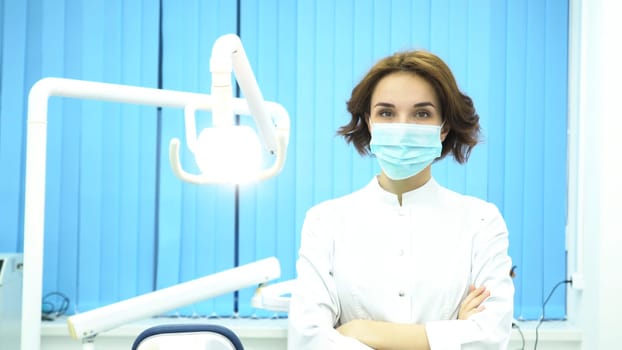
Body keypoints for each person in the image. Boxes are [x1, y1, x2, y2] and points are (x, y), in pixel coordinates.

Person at [287, 50, 515, 349]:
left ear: (443, 126)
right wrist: (451, 333)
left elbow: (490, 339)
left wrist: (358, 331)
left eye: (422, 113)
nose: (402, 126)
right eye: (386, 113)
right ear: (369, 122)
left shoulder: (481, 221)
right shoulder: (326, 221)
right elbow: (308, 340)